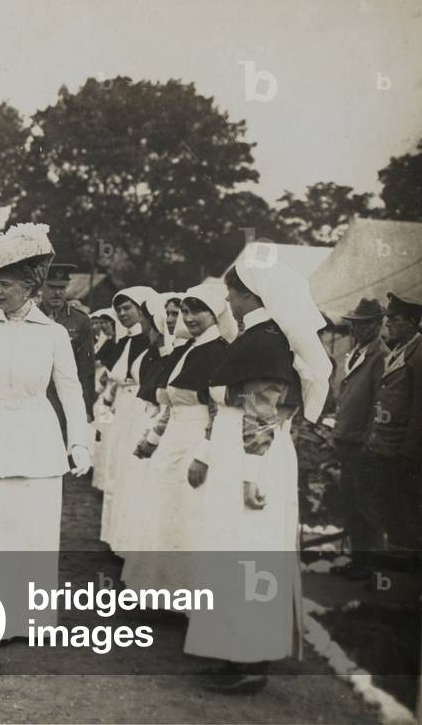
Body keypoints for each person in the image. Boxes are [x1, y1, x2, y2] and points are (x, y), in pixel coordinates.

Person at [184, 244, 331, 694]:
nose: (227, 301)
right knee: (233, 551)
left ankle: (249, 659)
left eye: (232, 293)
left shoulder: (266, 341)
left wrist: (251, 475)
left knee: (248, 554)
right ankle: (233, 651)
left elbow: (262, 412)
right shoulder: (259, 337)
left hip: (254, 459)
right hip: (242, 455)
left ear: (252, 295)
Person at [0, 223, 91, 641]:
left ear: (29, 287)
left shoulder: (55, 334)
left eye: (6, 284)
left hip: (36, 436)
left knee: (33, 529)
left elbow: (70, 390)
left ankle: (32, 621)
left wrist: (78, 440)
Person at [123, 284, 235, 591]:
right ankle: (162, 591)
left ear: (215, 313)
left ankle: (186, 595)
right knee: (165, 510)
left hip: (197, 440)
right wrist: (153, 438)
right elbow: (169, 405)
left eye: (197, 310)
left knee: (189, 513)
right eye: (185, 311)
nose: (189, 317)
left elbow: (216, 411)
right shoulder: (187, 348)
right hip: (173, 439)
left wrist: (204, 454)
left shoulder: (219, 353)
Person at [329, 299, 387, 579]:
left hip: (361, 444)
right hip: (347, 440)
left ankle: (372, 566)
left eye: (366, 323)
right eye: (356, 323)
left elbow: (379, 403)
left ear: (378, 324)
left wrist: (367, 440)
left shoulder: (381, 356)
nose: (359, 328)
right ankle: (358, 560)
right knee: (351, 503)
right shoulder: (357, 352)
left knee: (366, 505)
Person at [362, 292, 422, 555]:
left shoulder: (419, 356)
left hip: (401, 454)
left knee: (406, 520)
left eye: (394, 319)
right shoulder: (399, 351)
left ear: (412, 321)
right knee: (390, 516)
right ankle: (393, 580)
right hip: (384, 449)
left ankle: (404, 586)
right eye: (387, 318)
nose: (387, 324)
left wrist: (407, 454)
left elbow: (419, 410)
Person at [97, 286, 155, 546]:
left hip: (138, 408)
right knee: (114, 466)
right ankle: (112, 535)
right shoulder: (124, 342)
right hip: (120, 408)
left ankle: (128, 538)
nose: (122, 314)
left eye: (127, 308)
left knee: (131, 469)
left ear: (142, 309)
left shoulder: (150, 342)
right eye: (118, 310)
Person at [41, 263, 97, 424]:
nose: (57, 293)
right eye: (52, 287)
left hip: (66, 398)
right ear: (42, 287)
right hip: (36, 396)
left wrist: (86, 408)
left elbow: (87, 368)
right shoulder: (31, 317)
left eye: (62, 288)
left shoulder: (80, 321)